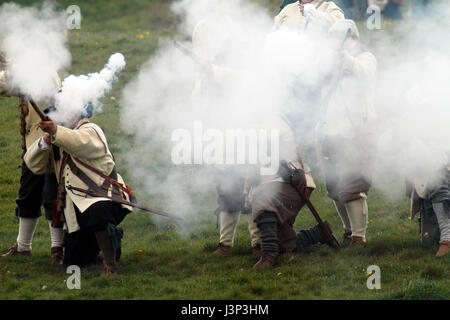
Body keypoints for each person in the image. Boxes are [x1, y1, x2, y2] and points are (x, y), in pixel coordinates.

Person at [23, 106, 133, 275]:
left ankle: (110, 266)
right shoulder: (59, 136)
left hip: (104, 197)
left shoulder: (90, 129)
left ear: (78, 114)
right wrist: (45, 140)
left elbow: (79, 142)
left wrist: (55, 131)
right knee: (75, 262)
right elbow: (33, 164)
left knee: (98, 211)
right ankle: (111, 238)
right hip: (75, 209)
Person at [317, 19, 377, 246]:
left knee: (353, 186)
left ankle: (359, 238)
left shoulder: (366, 58)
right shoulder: (329, 62)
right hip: (330, 131)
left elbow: (364, 74)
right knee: (335, 188)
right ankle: (349, 231)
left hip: (355, 133)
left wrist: (342, 55)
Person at [250, 113, 337, 269]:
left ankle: (269, 255)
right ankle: (318, 234)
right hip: (281, 181)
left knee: (262, 198)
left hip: (293, 180)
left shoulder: (273, 121)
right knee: (284, 244)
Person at [0, 55, 64, 264]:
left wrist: (14, 68)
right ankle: (23, 246)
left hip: (49, 143)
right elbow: (4, 86)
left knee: (51, 198)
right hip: (33, 147)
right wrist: (6, 69)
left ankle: (57, 249)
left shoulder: (46, 74)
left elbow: (38, 88)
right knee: (28, 196)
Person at [407, 158, 450, 257]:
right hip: (424, 170)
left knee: (439, 190)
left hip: (443, 168)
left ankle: (446, 239)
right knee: (427, 242)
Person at [274, 0, 345, 33]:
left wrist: (314, 14)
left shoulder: (329, 7)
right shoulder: (288, 8)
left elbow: (341, 27)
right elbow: (272, 33)